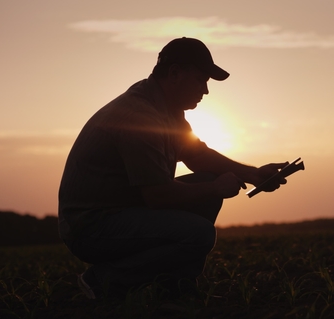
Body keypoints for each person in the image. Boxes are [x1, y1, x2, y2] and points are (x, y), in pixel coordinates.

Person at [58, 37, 287, 300]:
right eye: (201, 79)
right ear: (175, 73)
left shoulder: (167, 110)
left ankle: (177, 290)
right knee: (199, 233)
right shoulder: (139, 116)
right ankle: (104, 281)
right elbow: (158, 196)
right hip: (92, 227)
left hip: (123, 211)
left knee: (205, 186)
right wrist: (214, 188)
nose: (206, 90)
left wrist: (253, 174)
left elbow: (197, 155)